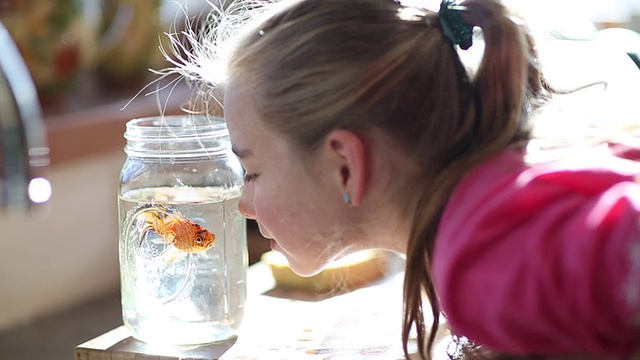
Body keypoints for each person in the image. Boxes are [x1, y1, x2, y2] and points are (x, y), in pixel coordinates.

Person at [163, 0, 640, 358]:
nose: (243, 203)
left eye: (252, 172)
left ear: (345, 164)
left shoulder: (485, 253)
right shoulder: (488, 211)